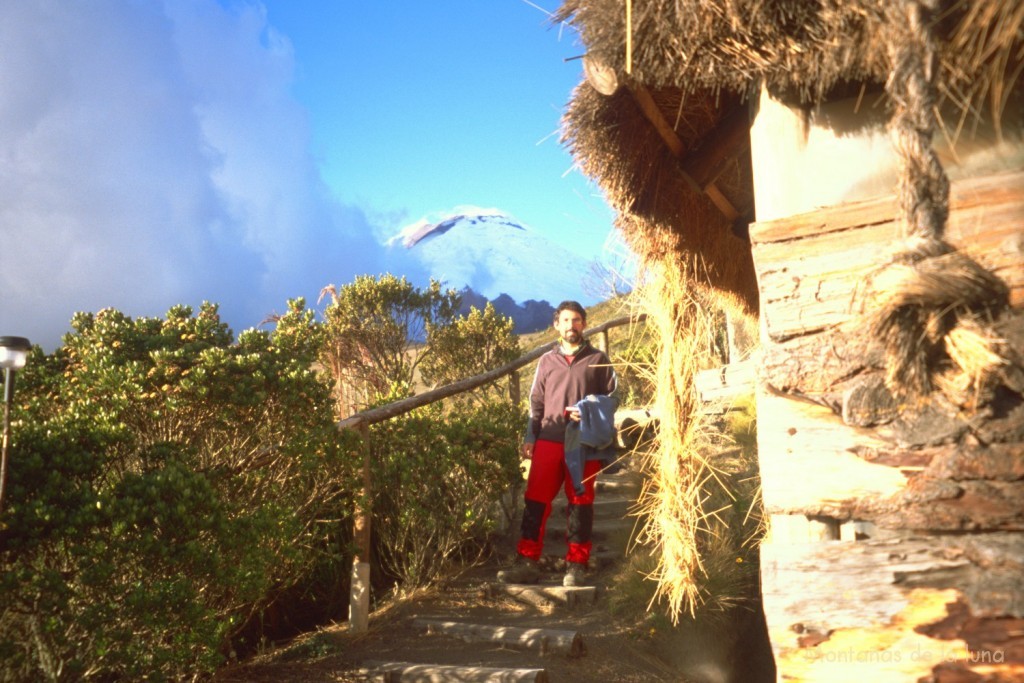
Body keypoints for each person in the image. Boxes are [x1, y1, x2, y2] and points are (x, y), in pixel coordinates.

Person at [497, 300, 618, 587]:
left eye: (576, 320)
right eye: (565, 320)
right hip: (549, 440)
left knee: (581, 502)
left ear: (584, 324)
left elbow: (614, 397)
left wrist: (590, 406)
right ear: (557, 325)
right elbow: (535, 403)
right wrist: (530, 436)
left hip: (584, 442)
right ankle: (527, 561)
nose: (571, 325)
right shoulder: (546, 362)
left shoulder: (599, 359)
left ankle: (576, 564)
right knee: (536, 501)